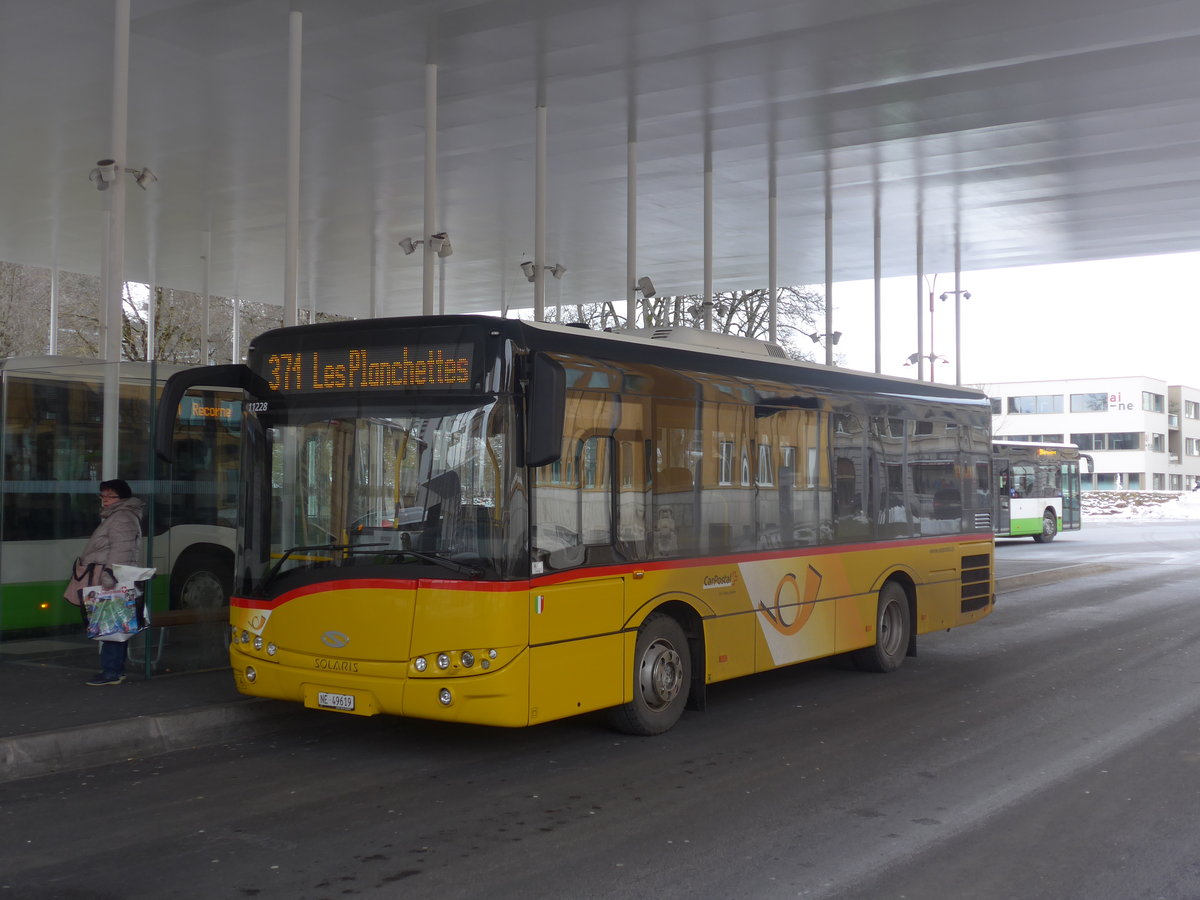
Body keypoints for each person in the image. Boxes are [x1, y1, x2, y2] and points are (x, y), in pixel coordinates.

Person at [80, 479, 145, 686]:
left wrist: (108, 578)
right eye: (103, 495)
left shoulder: (122, 517)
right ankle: (114, 670)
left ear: (122, 498)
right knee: (115, 624)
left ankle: (111, 671)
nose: (105, 500)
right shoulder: (120, 515)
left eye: (110, 496)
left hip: (112, 578)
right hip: (114, 576)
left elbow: (121, 551)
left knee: (110, 625)